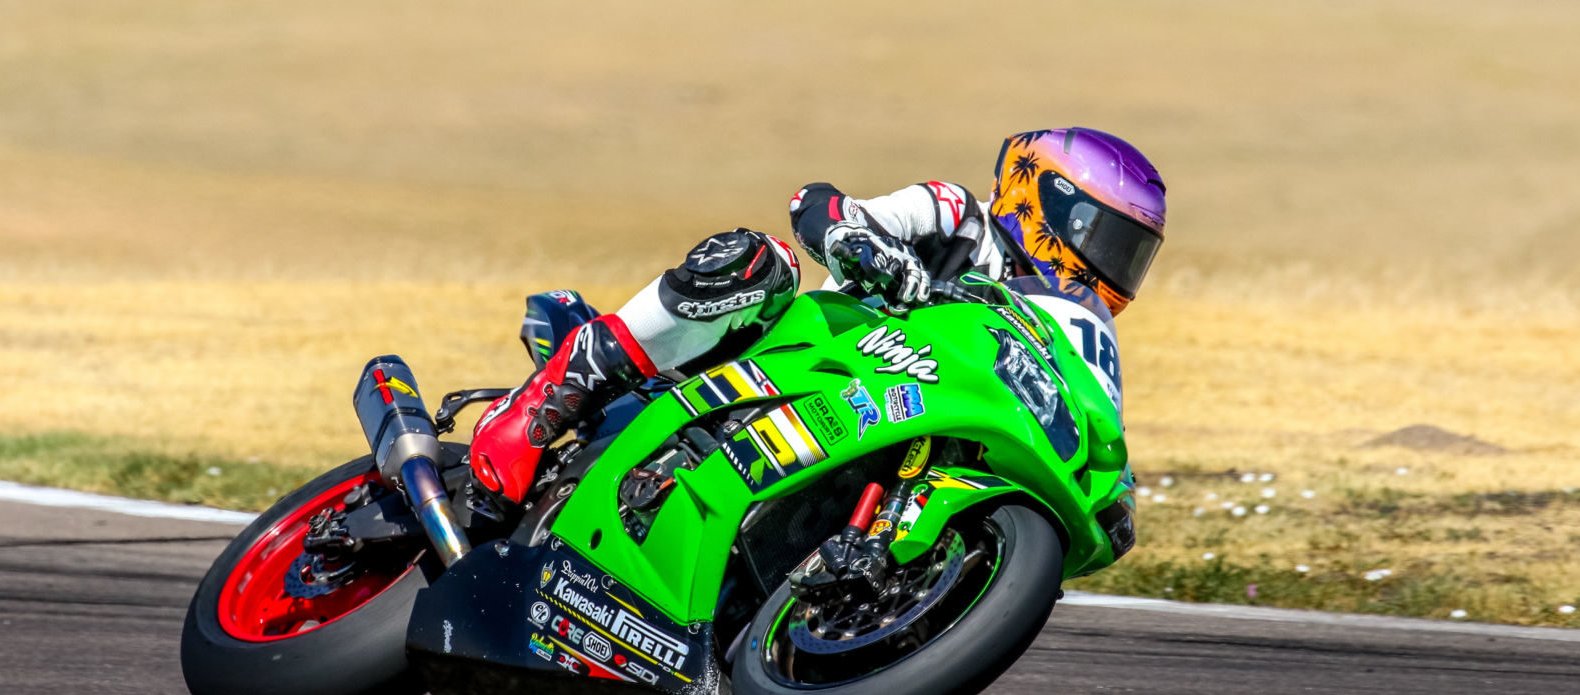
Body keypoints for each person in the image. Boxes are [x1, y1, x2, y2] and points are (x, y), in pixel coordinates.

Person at [469, 127, 1167, 507]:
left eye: (1132, 254)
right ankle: (548, 401)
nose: (1114, 268)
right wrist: (859, 242)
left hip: (888, 425)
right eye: (1109, 241)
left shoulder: (1065, 331)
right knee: (757, 260)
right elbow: (822, 203)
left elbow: (1095, 420)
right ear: (1042, 197)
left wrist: (1114, 491)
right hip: (791, 361)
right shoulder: (959, 217)